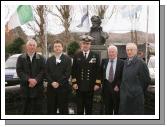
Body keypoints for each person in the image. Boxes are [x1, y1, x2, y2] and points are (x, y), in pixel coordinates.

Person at [71, 34, 101, 115]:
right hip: (79, 86)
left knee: (89, 108)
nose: (85, 45)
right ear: (82, 44)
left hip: (90, 86)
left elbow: (98, 71)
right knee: (79, 108)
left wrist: (97, 83)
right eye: (84, 43)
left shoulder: (95, 56)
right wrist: (74, 83)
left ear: (90, 45)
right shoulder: (77, 55)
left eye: (87, 44)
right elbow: (73, 71)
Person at [119, 43, 151, 115]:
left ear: (136, 51)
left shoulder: (141, 63)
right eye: (127, 50)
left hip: (136, 98)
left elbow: (146, 80)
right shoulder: (125, 62)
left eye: (131, 50)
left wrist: (137, 89)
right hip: (125, 97)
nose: (129, 52)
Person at [16, 39, 45, 115]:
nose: (32, 47)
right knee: (25, 111)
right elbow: (19, 71)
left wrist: (36, 80)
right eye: (30, 45)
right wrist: (29, 79)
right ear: (27, 46)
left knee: (38, 111)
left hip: (38, 89)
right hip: (25, 90)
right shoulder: (21, 58)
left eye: (33, 45)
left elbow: (43, 71)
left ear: (36, 47)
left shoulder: (41, 58)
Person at [45, 39, 72, 115]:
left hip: (63, 88)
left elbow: (67, 73)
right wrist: (52, 82)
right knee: (51, 109)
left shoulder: (67, 59)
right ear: (53, 48)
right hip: (51, 89)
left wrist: (58, 83)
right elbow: (46, 73)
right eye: (55, 46)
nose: (57, 48)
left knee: (63, 109)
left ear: (62, 48)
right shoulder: (49, 60)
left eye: (59, 46)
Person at [101, 45, 124, 115]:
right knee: (107, 108)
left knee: (117, 108)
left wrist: (118, 85)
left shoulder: (122, 62)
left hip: (116, 88)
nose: (111, 54)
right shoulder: (104, 61)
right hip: (106, 88)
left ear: (116, 53)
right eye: (109, 52)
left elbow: (123, 76)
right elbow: (101, 73)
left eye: (113, 52)